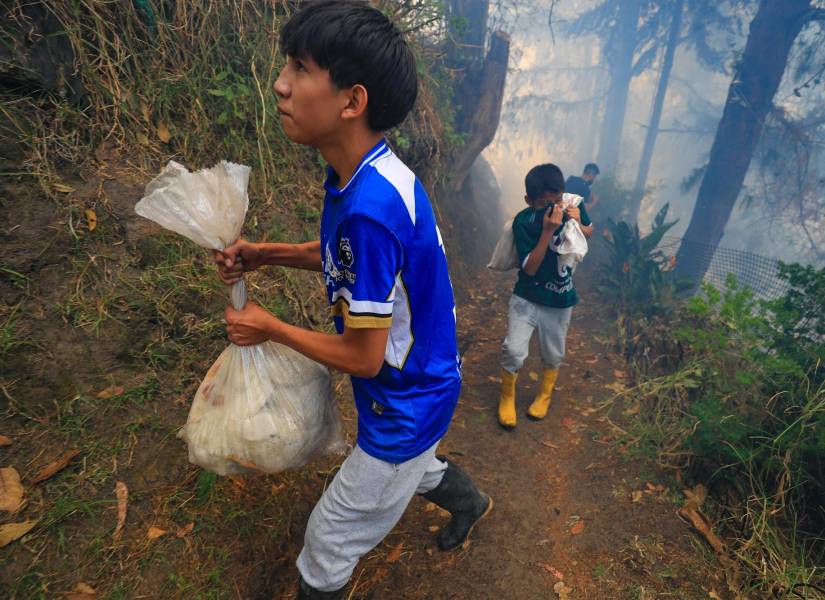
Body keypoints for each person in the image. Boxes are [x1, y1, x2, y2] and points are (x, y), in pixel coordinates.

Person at [212, 3, 491, 598]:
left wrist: (270, 327)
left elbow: (363, 358)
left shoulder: (369, 208)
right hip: (427, 379)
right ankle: (473, 502)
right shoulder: (370, 175)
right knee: (418, 469)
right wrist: (268, 253)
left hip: (406, 400)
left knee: (329, 542)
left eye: (300, 69)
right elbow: (350, 257)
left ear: (351, 100)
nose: (281, 85)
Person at [497, 164, 593, 430]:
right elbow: (529, 268)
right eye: (544, 204)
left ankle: (544, 395)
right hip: (526, 296)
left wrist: (576, 221)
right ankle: (507, 397)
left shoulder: (573, 204)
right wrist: (548, 231)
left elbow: (589, 232)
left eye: (557, 200)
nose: (554, 208)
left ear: (563, 194)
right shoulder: (524, 221)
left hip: (560, 300)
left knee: (553, 353)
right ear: (529, 201)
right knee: (513, 350)